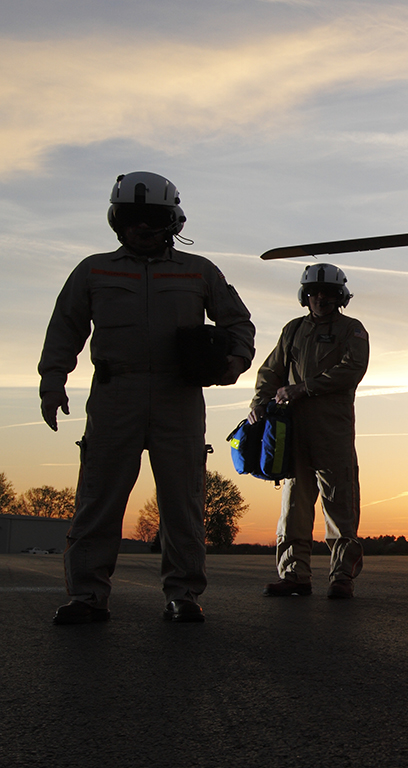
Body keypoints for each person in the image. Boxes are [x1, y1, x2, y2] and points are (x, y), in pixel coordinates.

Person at [39, 171, 255, 624]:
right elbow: (65, 329)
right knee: (98, 499)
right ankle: (88, 596)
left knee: (183, 501)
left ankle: (183, 594)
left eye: (151, 217)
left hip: (179, 396)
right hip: (116, 395)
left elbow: (239, 324)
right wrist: (53, 379)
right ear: (117, 220)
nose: (141, 226)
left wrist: (234, 363)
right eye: (132, 217)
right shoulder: (93, 270)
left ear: (172, 220)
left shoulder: (199, 271)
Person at [251, 263, 368, 599]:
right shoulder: (293, 330)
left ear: (340, 296)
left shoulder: (353, 330)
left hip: (332, 431)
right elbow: (271, 371)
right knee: (293, 507)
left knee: (339, 504)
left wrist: (303, 389)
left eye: (329, 293)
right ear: (305, 295)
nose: (321, 298)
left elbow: (351, 370)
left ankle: (341, 576)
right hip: (293, 433)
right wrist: (259, 402)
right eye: (315, 292)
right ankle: (294, 575)